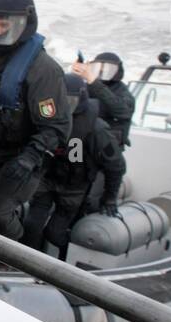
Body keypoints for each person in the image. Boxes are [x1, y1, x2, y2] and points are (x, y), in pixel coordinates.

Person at [0, 0, 70, 267]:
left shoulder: (43, 69)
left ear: (22, 25)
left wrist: (29, 158)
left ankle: (14, 260)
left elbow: (56, 126)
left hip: (24, 155)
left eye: (4, 25)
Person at [22, 74, 125, 257]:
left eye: (69, 100)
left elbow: (115, 165)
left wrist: (110, 198)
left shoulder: (96, 129)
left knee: (55, 233)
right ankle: (26, 263)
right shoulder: (47, 115)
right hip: (48, 177)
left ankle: (64, 264)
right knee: (31, 225)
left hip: (74, 187)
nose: (65, 104)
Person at [72, 51, 133, 148]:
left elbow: (123, 111)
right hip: (84, 142)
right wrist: (74, 77)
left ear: (118, 71)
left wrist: (93, 81)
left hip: (108, 146)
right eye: (98, 68)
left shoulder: (123, 92)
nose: (101, 72)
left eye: (108, 69)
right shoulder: (88, 86)